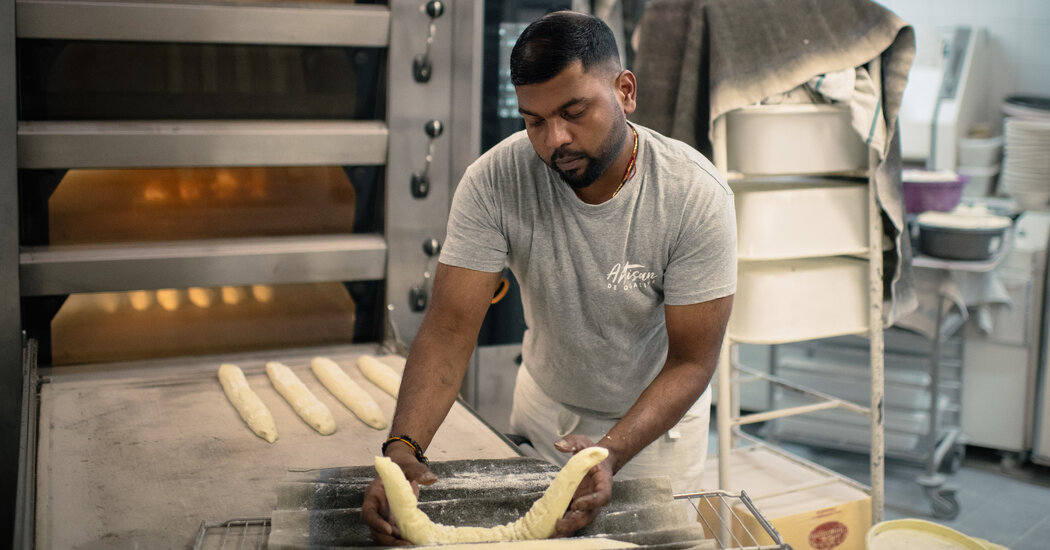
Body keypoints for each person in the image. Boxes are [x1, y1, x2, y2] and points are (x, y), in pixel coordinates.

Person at [362, 10, 736, 543]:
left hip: (654, 437)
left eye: (573, 111)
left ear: (625, 91)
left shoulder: (694, 195)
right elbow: (449, 330)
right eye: (533, 120)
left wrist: (614, 452)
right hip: (545, 419)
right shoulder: (494, 181)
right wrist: (403, 448)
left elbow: (692, 361)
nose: (554, 138)